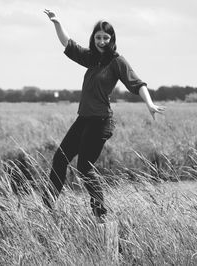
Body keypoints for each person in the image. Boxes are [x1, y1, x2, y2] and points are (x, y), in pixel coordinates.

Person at [43, 9, 165, 219]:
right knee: (60, 159)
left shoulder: (117, 61)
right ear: (94, 38)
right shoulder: (91, 58)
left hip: (101, 122)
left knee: (84, 167)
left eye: (105, 38)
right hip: (83, 119)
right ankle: (47, 207)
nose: (101, 41)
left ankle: (100, 215)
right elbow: (67, 43)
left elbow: (138, 83)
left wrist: (150, 104)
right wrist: (57, 22)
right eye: (98, 37)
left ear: (111, 39)